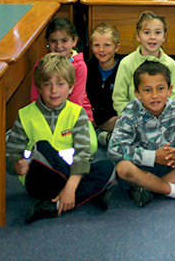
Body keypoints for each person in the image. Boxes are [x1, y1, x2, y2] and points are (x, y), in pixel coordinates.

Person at [6, 53, 114, 223]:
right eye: (47, 84)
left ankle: (51, 207)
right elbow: (10, 154)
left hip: (71, 174)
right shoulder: (25, 115)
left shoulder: (76, 112)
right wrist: (15, 165)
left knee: (107, 166)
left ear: (71, 87)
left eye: (60, 84)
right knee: (42, 147)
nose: (54, 90)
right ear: (39, 88)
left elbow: (83, 152)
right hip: (39, 179)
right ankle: (92, 194)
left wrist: (71, 186)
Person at [108, 60, 175, 207]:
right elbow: (114, 149)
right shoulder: (130, 113)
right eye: (147, 90)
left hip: (172, 167)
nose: (155, 95)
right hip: (141, 171)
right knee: (123, 168)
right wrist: (153, 157)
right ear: (137, 93)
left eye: (160, 89)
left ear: (169, 90)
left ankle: (151, 189)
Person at [112, 11, 175, 115]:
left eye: (157, 32)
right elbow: (119, 99)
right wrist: (135, 118)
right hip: (133, 119)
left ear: (164, 37)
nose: (152, 37)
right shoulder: (126, 63)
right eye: (147, 32)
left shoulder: (170, 64)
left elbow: (174, 98)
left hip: (163, 120)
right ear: (138, 36)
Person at [30, 17, 93, 121]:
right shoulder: (40, 65)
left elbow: (76, 101)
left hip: (76, 115)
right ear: (47, 42)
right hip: (47, 114)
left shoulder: (79, 66)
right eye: (53, 41)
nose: (59, 46)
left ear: (74, 41)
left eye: (64, 41)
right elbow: (34, 98)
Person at [86, 23, 124, 147]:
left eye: (107, 45)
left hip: (115, 117)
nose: (101, 50)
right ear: (91, 47)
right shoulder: (86, 68)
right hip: (93, 118)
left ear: (116, 47)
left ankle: (102, 136)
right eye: (97, 45)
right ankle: (102, 135)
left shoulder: (124, 67)